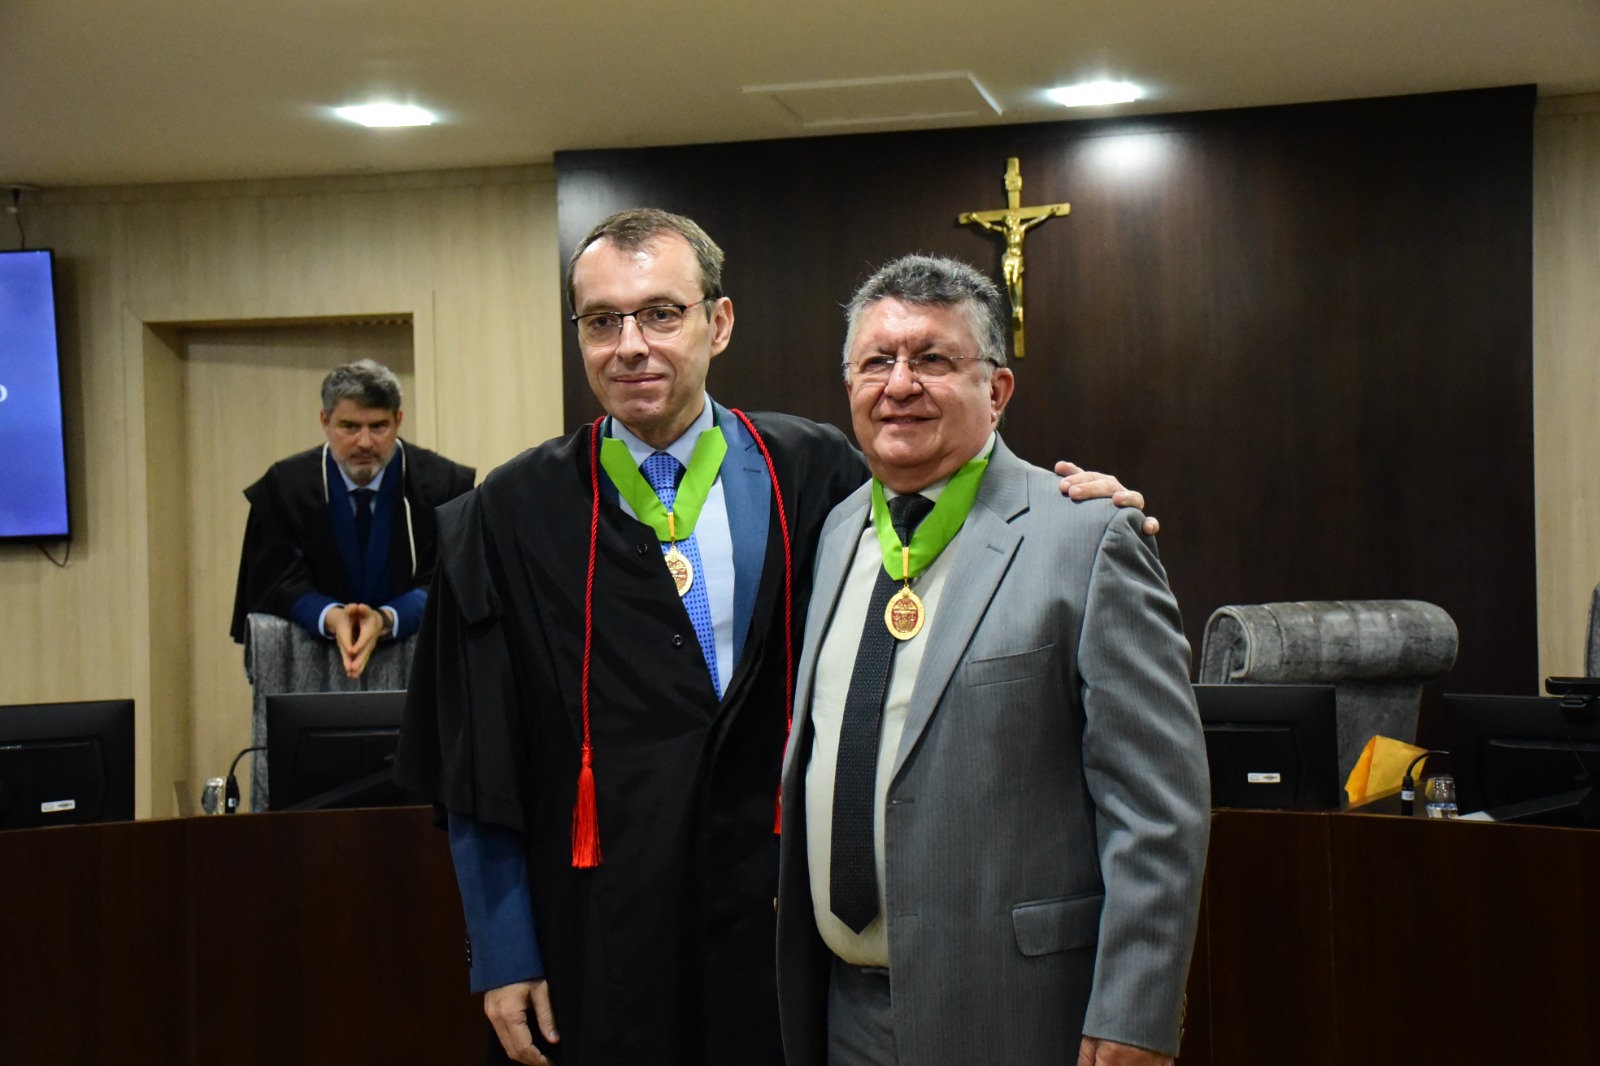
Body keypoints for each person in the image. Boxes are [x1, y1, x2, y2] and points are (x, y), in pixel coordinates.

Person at [394, 209, 1155, 1066]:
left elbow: (948, 478)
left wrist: (1082, 503)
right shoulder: (509, 513)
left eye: (661, 313)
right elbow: (474, 757)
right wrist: (502, 947)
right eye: (601, 320)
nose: (630, 345)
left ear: (717, 323)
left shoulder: (812, 470)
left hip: (781, 929)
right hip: (603, 929)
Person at [775, 254, 1210, 1066]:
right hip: (843, 1011)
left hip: (1017, 1010)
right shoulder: (838, 534)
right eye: (876, 361)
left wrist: (1135, 1010)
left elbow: (1157, 808)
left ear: (998, 391)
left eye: (933, 359)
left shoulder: (1085, 537)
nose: (898, 384)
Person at [230, 359, 475, 679]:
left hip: (419, 670)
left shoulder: (445, 485)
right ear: (325, 421)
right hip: (312, 668)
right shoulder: (286, 486)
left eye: (378, 426)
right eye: (349, 426)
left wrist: (389, 619)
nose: (364, 442)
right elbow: (275, 580)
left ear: (398, 421)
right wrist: (330, 616)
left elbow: (450, 579)